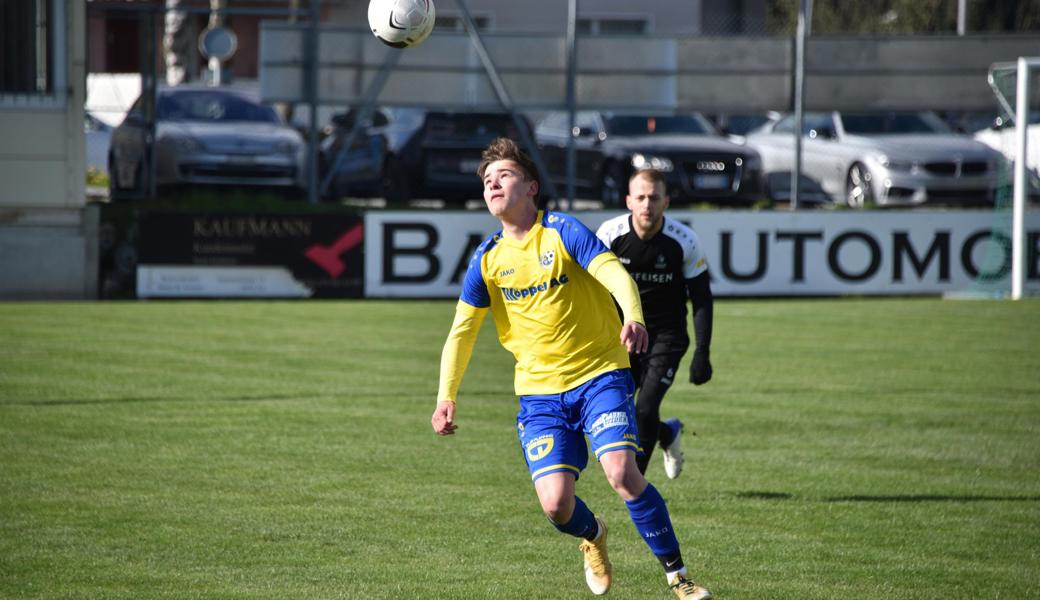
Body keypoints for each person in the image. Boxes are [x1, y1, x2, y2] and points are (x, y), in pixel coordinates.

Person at [431, 138, 711, 600]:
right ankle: (594, 535)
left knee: (622, 472)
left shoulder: (562, 231)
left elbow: (613, 273)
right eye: (487, 180)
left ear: (532, 187)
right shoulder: (486, 260)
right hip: (539, 396)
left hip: (599, 374)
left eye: (504, 175)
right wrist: (446, 396)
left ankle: (678, 578)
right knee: (557, 506)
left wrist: (634, 317)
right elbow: (461, 332)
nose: (493, 183)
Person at [596, 169, 714, 479]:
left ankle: (636, 488)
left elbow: (702, 298)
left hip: (667, 337)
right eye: (641, 197)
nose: (647, 204)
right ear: (628, 201)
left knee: (644, 408)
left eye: (654, 198)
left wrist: (702, 353)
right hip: (622, 337)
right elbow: (590, 291)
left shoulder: (684, 241)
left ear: (666, 202)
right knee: (620, 415)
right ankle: (667, 432)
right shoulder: (609, 235)